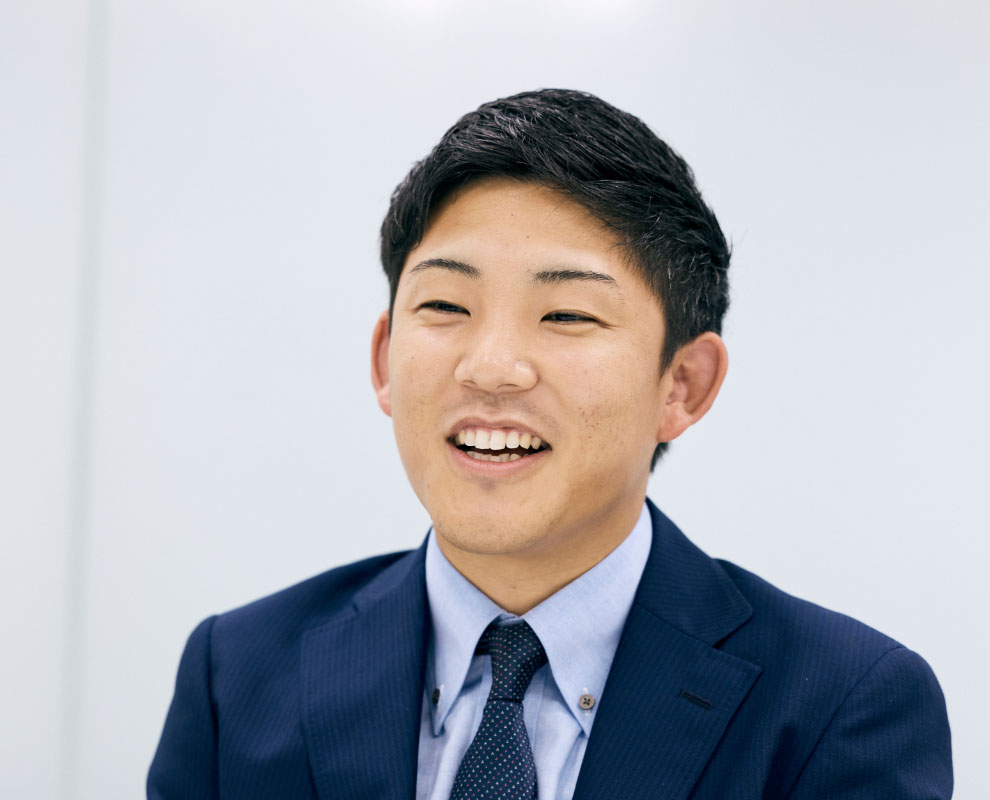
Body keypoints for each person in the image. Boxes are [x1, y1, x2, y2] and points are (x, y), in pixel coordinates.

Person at [147, 89, 952, 799]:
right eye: (446, 307)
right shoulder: (237, 676)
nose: (490, 367)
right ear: (385, 360)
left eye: (566, 315)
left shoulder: (839, 707)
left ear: (683, 385)